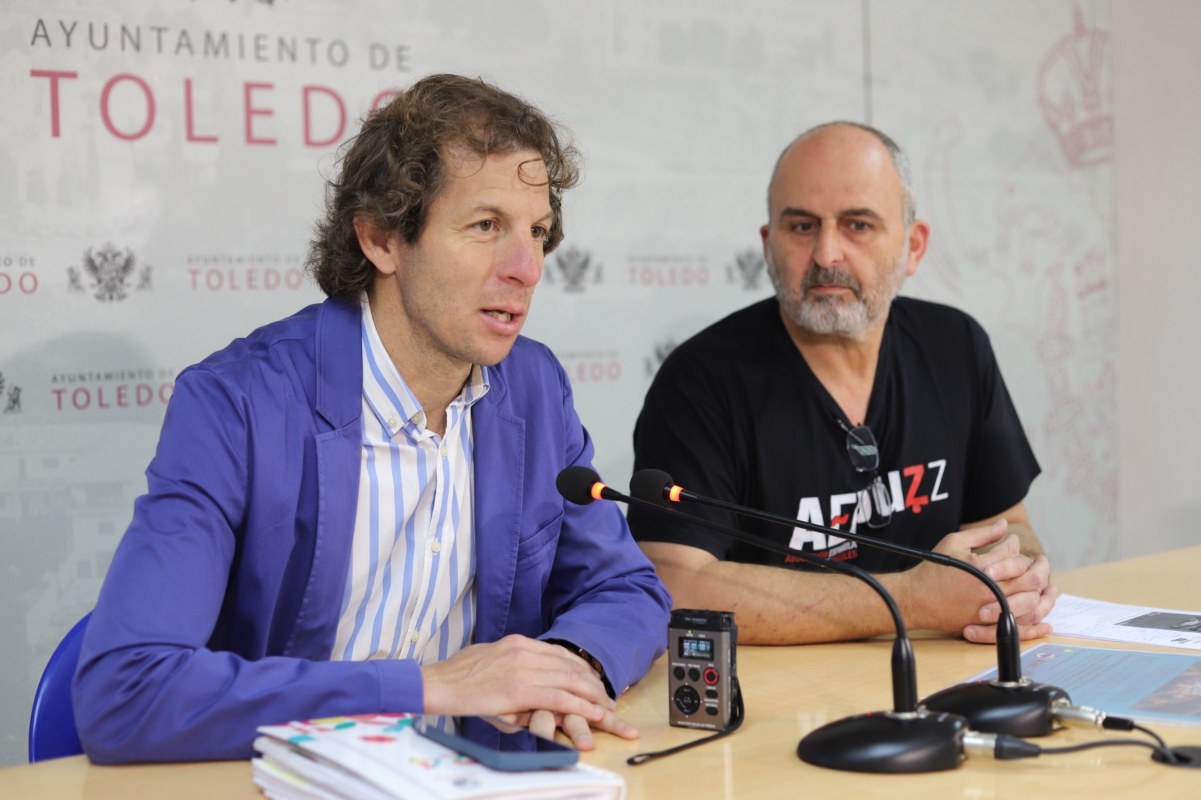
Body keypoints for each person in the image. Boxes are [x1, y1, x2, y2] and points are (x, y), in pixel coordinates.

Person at [73, 74, 671, 764]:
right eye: (485, 227)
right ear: (382, 239)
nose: (526, 268)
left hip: (479, 776)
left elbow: (624, 587)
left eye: (536, 233)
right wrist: (427, 687)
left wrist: (567, 665)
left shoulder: (532, 388)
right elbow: (128, 692)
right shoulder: (237, 405)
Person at [628, 121, 1055, 646]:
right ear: (768, 245)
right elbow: (675, 580)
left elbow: (1005, 521)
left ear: (914, 246)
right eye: (802, 227)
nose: (827, 254)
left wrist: (1016, 579)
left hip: (946, 670)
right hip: (780, 701)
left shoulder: (956, 344)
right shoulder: (700, 380)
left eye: (857, 225)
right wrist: (913, 600)